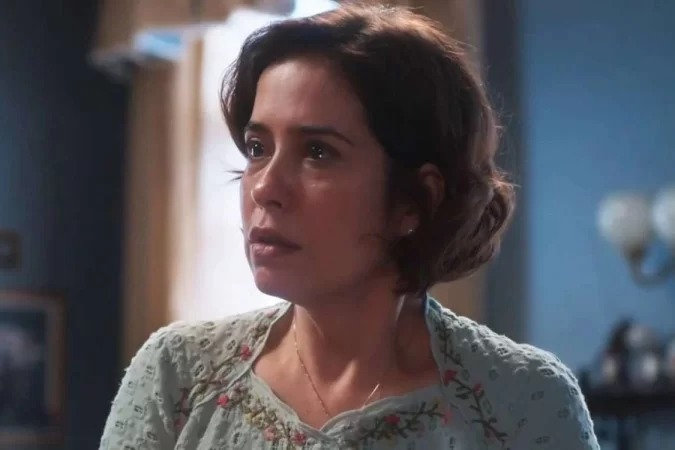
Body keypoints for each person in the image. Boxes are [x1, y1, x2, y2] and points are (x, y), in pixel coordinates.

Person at [100, 4, 600, 449]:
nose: (264, 188)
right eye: (258, 148)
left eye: (318, 152)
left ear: (415, 200)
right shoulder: (179, 375)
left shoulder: (522, 402)